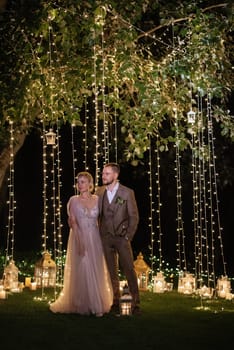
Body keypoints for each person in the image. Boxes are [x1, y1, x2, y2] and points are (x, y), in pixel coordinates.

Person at [50, 171, 113, 317]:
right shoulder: (73, 200)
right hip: (79, 235)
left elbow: (102, 219)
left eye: (83, 181)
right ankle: (80, 302)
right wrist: (79, 241)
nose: (80, 184)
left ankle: (97, 303)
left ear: (90, 184)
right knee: (83, 266)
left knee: (96, 267)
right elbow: (73, 222)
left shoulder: (98, 199)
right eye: (78, 181)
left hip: (95, 237)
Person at [96, 163, 141, 315]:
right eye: (103, 173)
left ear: (115, 175)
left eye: (107, 173)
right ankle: (115, 301)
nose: (103, 176)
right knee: (111, 271)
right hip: (105, 238)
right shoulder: (99, 191)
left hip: (122, 238)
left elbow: (134, 217)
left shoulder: (127, 193)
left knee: (129, 269)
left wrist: (128, 236)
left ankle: (135, 303)